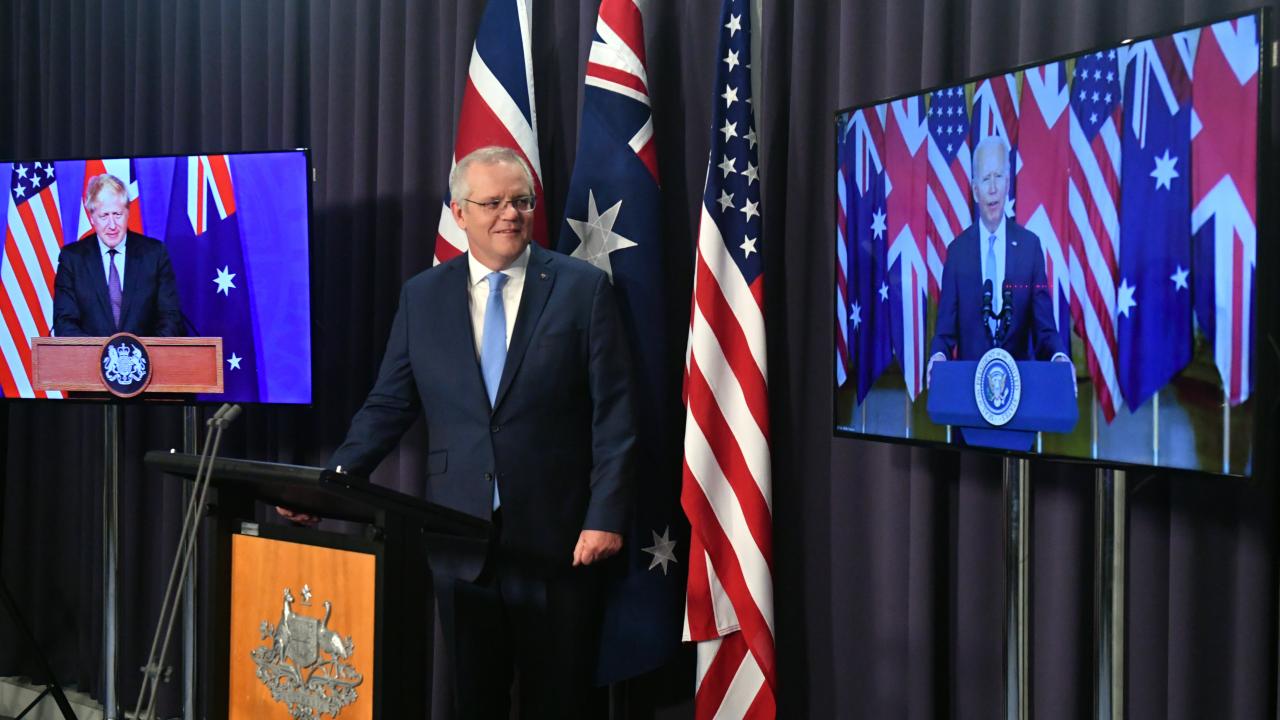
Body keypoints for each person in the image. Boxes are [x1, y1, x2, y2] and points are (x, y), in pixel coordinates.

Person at [304, 146, 636, 717]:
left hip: (559, 544)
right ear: (459, 212)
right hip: (460, 542)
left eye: (522, 202)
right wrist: (331, 483)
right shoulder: (423, 296)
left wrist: (604, 514)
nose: (511, 215)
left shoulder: (582, 289)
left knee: (560, 703)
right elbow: (388, 404)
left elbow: (617, 414)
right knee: (473, 702)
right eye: (494, 203)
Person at [927, 136, 1070, 388]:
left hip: (1019, 396)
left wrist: (1059, 357)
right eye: (985, 179)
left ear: (1007, 184)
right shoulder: (957, 253)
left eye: (999, 177)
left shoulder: (1030, 248)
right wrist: (938, 356)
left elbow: (1044, 328)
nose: (992, 188)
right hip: (969, 399)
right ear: (974, 190)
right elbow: (945, 333)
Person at [52, 174, 184, 337]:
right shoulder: (72, 259)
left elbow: (170, 317)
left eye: (117, 214)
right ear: (92, 217)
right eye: (104, 216)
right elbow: (64, 323)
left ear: (128, 213)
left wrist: (143, 356)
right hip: (89, 361)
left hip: (146, 360)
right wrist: (101, 357)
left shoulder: (154, 254)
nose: (112, 225)